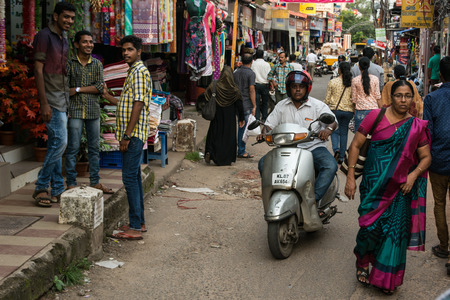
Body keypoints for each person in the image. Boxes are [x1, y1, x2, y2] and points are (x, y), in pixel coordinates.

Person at [344, 79, 431, 294]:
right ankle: (363, 261)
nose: (403, 100)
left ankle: (385, 278)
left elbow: (426, 157)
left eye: (407, 96)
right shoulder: (376, 116)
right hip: (373, 186)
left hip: (401, 189)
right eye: (399, 95)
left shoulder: (416, 126)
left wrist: (413, 176)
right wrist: (351, 177)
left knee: (394, 233)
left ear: (413, 98)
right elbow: (355, 144)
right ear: (390, 97)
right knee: (369, 229)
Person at [257, 71, 338, 208]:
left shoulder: (317, 105)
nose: (298, 89)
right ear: (289, 88)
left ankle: (312, 200)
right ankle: (275, 193)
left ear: (307, 88)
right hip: (286, 148)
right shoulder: (281, 106)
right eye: (294, 86)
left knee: (330, 166)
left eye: (301, 86)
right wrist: (265, 133)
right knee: (263, 163)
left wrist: (327, 130)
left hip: (313, 148)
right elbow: (269, 125)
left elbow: (332, 121)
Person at [103, 35, 152, 240]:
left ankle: (134, 227)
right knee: (134, 179)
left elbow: (138, 104)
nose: (126, 53)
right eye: (124, 50)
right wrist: (106, 95)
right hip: (133, 134)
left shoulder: (139, 72)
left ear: (139, 51)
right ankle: (138, 222)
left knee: (129, 178)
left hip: (133, 135)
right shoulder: (132, 71)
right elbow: (126, 103)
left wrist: (127, 135)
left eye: (130, 49)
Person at [32, 2, 76, 207]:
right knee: (61, 143)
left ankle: (57, 187)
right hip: (50, 97)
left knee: (56, 143)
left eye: (72, 18)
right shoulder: (44, 36)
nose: (69, 21)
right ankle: (41, 186)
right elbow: (38, 70)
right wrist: (44, 103)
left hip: (62, 97)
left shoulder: (64, 39)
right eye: (65, 17)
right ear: (56, 16)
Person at [65, 30, 113, 194]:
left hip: (93, 111)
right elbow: (66, 88)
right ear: (77, 44)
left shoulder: (97, 64)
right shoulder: (70, 63)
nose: (89, 45)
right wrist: (86, 89)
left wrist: (77, 89)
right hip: (76, 111)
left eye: (91, 42)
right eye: (85, 42)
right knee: (73, 148)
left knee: (94, 148)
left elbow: (100, 87)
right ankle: (71, 182)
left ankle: (95, 182)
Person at [423, 56, 450, 275]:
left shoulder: (431, 98)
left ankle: (444, 247)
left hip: (439, 159)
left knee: (439, 204)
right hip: (441, 158)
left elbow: (428, 133)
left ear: (440, 75)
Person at [203, 66, 245, 165]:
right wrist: (241, 118)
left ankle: (211, 153)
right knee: (228, 138)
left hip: (217, 115)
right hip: (230, 118)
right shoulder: (234, 89)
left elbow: (206, 95)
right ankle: (226, 159)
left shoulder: (215, 85)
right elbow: (240, 105)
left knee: (215, 134)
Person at [324, 62, 354, 164]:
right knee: (344, 133)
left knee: (334, 131)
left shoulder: (332, 82)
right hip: (348, 111)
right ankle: (342, 156)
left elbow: (327, 99)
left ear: (339, 70)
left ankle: (336, 149)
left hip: (334, 110)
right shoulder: (352, 83)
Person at [233, 53, 256, 159]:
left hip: (235, 103)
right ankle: (241, 151)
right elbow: (251, 90)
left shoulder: (236, 72)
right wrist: (254, 105)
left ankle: (235, 149)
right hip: (246, 104)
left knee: (236, 127)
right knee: (243, 128)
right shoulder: (251, 74)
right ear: (252, 61)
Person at [351, 57, 381, 130]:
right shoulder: (375, 79)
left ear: (359, 66)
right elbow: (378, 96)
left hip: (360, 111)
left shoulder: (355, 80)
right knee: (373, 135)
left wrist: (354, 111)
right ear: (369, 66)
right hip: (373, 110)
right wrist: (381, 111)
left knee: (359, 137)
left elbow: (354, 99)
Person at [251, 49, 271, 122]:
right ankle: (264, 118)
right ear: (263, 55)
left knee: (256, 102)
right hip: (265, 85)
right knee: (265, 102)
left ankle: (257, 118)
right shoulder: (267, 64)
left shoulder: (253, 64)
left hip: (255, 85)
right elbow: (269, 76)